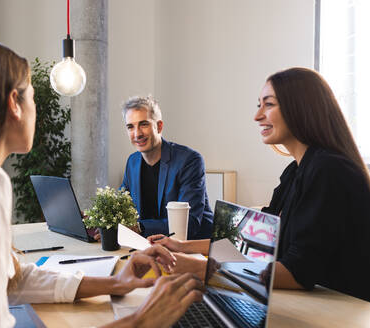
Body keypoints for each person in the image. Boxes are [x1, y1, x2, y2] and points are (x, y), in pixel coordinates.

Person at [0, 33, 204, 328]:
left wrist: (115, 283)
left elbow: (13, 280)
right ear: (15, 103)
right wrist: (140, 322)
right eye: (33, 96)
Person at [151, 67, 370, 302]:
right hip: (308, 303)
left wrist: (203, 270)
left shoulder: (329, 170)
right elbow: (254, 240)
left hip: (340, 313)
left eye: (269, 104)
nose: (257, 116)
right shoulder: (296, 170)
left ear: (300, 107)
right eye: (259, 105)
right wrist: (182, 247)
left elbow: (299, 272)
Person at [120, 96, 213, 239]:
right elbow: (120, 205)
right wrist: (97, 219)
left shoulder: (189, 161)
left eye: (143, 124)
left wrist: (139, 228)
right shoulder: (132, 162)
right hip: (150, 243)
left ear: (159, 126)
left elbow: (189, 223)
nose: (137, 134)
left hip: (193, 247)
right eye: (130, 127)